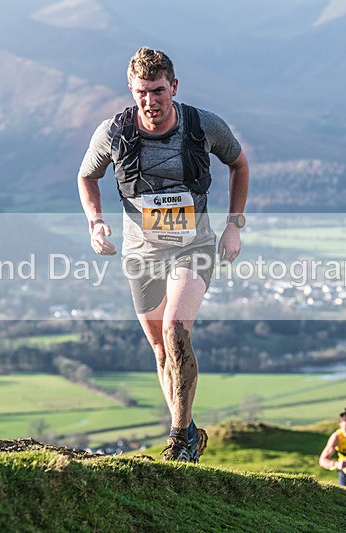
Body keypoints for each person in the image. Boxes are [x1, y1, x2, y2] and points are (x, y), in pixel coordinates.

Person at [77, 47, 249, 462]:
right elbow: (87, 176)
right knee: (159, 349)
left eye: (157, 90)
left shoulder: (203, 126)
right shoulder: (113, 132)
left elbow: (239, 165)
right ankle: (187, 430)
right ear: (131, 90)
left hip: (194, 247)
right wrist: (95, 223)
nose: (150, 101)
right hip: (141, 255)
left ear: (174, 86)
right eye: (141, 92)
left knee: (175, 330)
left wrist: (233, 225)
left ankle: (179, 437)